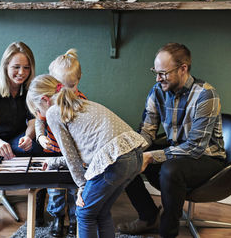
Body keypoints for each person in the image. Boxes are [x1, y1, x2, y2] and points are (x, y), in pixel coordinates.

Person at [117, 43, 226, 238]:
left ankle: (168, 232)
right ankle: (148, 217)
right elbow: (147, 132)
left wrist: (150, 157)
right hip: (176, 151)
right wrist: (127, 149)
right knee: (127, 158)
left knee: (170, 169)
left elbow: (195, 148)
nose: (158, 78)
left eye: (163, 73)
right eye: (155, 72)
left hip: (207, 157)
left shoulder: (206, 95)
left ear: (183, 68)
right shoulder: (157, 90)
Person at [26, 74, 148, 238]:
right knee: (101, 211)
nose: (40, 115)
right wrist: (54, 162)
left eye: (38, 110)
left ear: (45, 100)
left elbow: (71, 156)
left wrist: (82, 186)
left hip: (115, 160)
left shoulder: (54, 112)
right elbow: (82, 154)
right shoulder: (80, 103)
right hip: (134, 155)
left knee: (84, 213)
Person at [0, 41, 46, 236]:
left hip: (16, 137)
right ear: (5, 66)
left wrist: (29, 137)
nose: (21, 72)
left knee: (40, 149)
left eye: (26, 67)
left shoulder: (30, 88)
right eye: (16, 67)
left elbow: (33, 119)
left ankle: (37, 207)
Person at [35, 49, 87, 236]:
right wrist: (41, 137)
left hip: (75, 155)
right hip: (54, 153)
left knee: (74, 188)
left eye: (70, 86)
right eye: (60, 87)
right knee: (55, 189)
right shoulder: (48, 101)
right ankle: (58, 218)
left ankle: (74, 220)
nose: (65, 92)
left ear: (78, 81)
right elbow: (39, 120)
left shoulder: (80, 102)